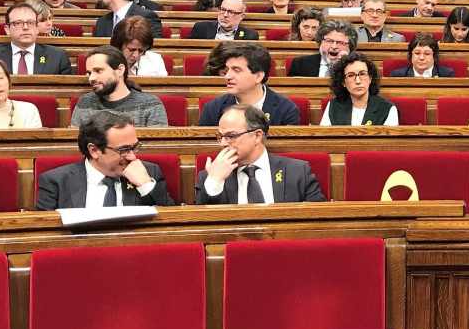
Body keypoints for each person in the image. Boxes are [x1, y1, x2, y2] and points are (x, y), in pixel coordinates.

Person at [35, 111, 176, 209]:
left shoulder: (149, 172)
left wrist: (145, 185)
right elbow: (44, 236)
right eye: (124, 150)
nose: (133, 156)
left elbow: (174, 226)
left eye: (135, 147)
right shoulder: (57, 182)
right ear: (94, 150)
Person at [199, 105, 328, 204]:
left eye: (231, 136)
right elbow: (202, 228)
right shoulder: (208, 177)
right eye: (220, 136)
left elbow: (317, 223)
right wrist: (215, 181)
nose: (222, 143)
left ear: (257, 136)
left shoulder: (297, 172)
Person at [197, 43, 301, 126]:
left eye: (236, 70)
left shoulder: (286, 109)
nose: (227, 76)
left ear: (258, 77)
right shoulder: (212, 108)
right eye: (227, 70)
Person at [72, 48, 168, 128]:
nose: (91, 78)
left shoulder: (150, 104)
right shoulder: (85, 102)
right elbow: (74, 146)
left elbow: (156, 148)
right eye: (89, 73)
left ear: (120, 70)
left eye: (98, 71)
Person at [0, 2, 72, 76]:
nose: (25, 27)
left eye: (30, 23)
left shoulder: (58, 57)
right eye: (18, 23)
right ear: (7, 29)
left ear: (37, 28)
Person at [290, 20, 356, 78]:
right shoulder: (300, 64)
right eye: (329, 41)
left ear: (350, 46)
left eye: (340, 43)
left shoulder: (358, 67)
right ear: (320, 42)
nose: (334, 46)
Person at [190, 0, 257, 42]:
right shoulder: (201, 28)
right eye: (223, 10)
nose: (225, 15)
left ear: (241, 16)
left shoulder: (249, 35)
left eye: (231, 12)